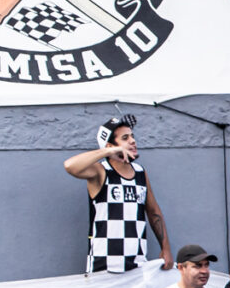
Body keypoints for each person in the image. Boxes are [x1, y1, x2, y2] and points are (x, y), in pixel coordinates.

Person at [63, 113, 170, 275]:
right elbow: (70, 166)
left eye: (132, 136)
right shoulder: (100, 171)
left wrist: (166, 249)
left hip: (137, 265)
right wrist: (107, 152)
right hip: (103, 265)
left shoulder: (140, 172)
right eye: (125, 138)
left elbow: (154, 211)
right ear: (111, 145)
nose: (133, 141)